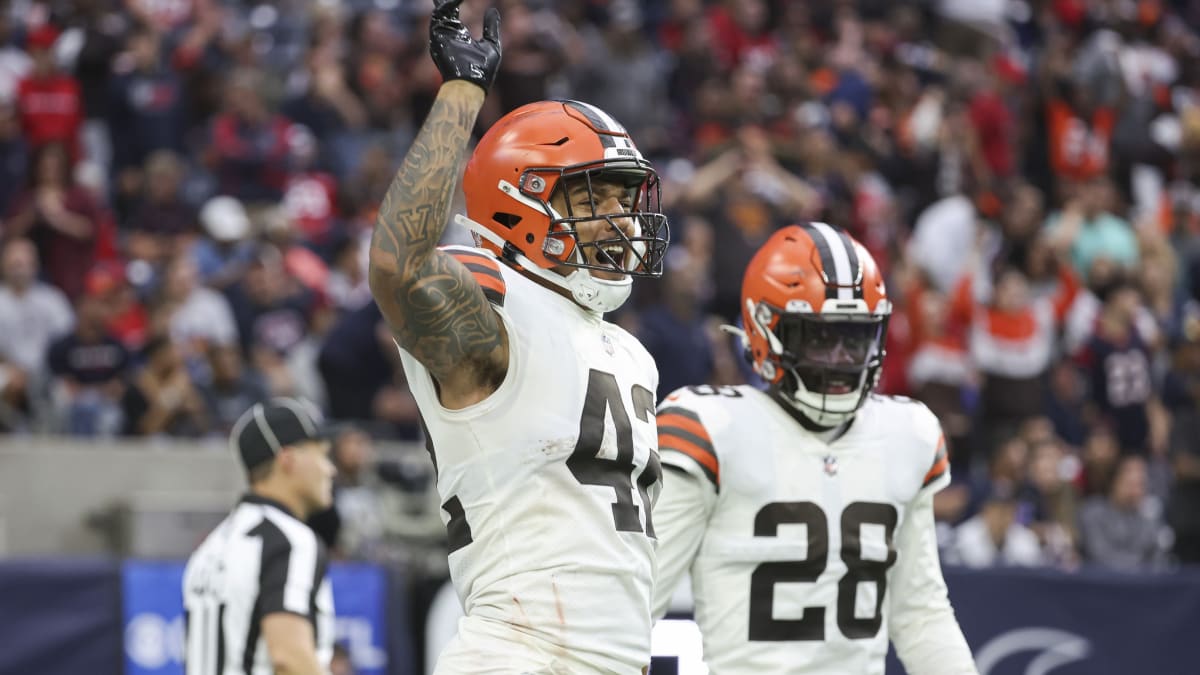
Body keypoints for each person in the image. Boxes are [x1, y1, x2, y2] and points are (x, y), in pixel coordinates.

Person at [366, 1, 670, 672]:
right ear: (517, 203)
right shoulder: (501, 306)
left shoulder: (630, 352)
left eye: (625, 199)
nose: (619, 218)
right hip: (518, 652)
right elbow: (399, 265)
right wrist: (462, 89)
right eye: (593, 200)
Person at [652, 224, 977, 674]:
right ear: (764, 329)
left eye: (856, 337)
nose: (843, 359)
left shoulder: (907, 433)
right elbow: (639, 599)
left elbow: (920, 613)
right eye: (821, 338)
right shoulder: (713, 428)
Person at [182, 398, 337, 675]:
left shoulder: (210, 546)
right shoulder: (290, 540)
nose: (330, 469)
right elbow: (290, 658)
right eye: (322, 455)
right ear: (288, 459)